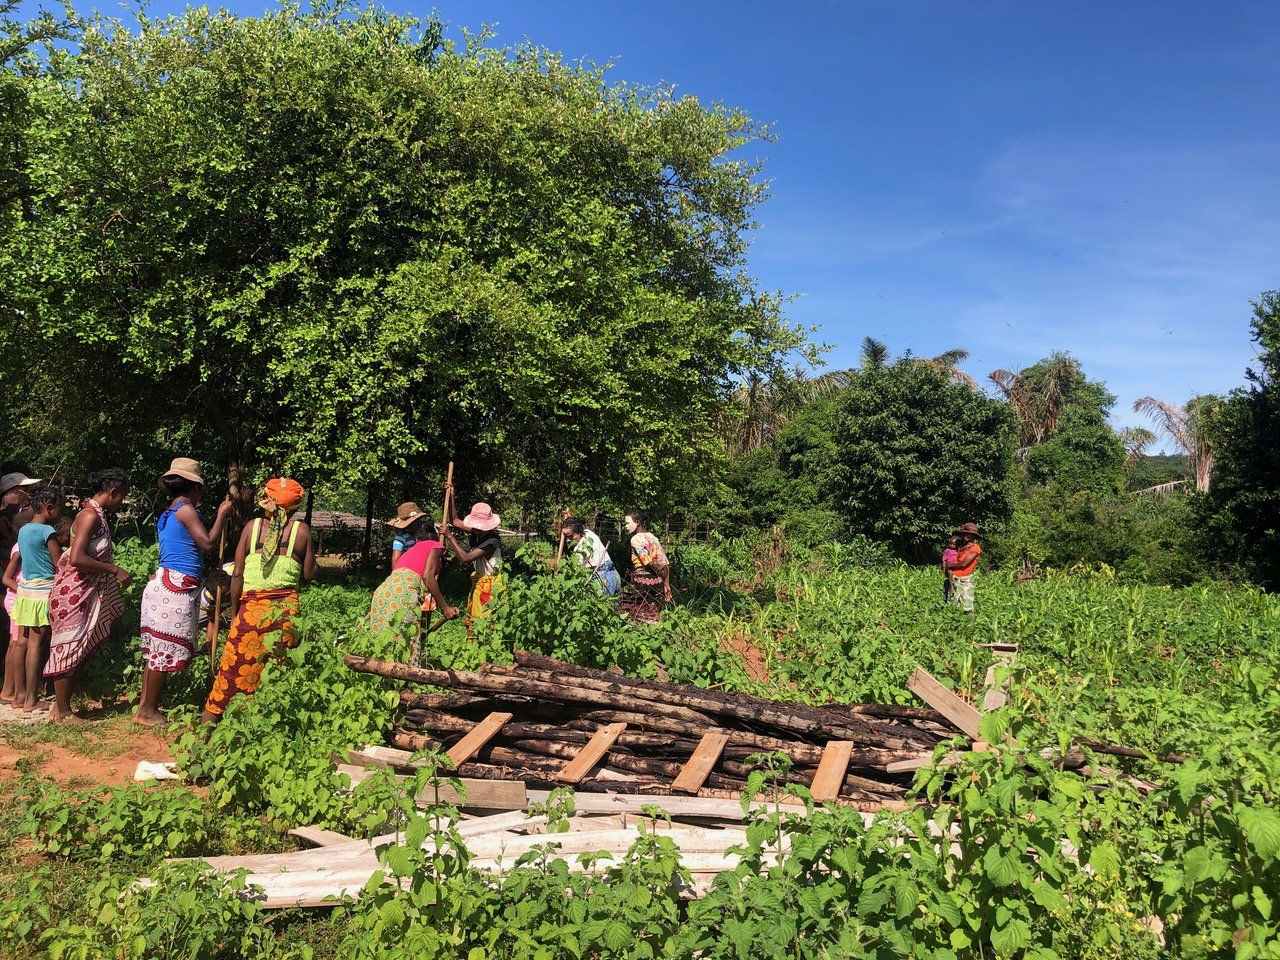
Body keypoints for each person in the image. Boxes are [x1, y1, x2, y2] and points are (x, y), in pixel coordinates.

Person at [202, 478, 317, 722]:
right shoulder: (302, 531)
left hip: (250, 614)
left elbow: (238, 575)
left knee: (230, 675)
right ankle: (267, 729)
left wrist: (235, 614)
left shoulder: (252, 528)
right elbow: (308, 575)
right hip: (284, 616)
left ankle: (206, 735)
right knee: (276, 674)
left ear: (265, 501)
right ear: (295, 507)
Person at [135, 457, 232, 726]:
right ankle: (148, 711)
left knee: (158, 649)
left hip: (168, 582)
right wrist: (222, 514)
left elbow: (182, 553)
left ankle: (145, 707)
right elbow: (207, 543)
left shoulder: (170, 511)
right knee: (163, 648)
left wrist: (206, 575)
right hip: (173, 589)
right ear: (195, 487)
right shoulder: (186, 511)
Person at [43, 468, 133, 723]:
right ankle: (62, 713)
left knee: (78, 648)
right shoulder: (89, 516)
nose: (122, 502)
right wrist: (113, 569)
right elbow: (76, 557)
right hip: (73, 592)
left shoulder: (97, 515)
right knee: (68, 647)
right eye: (122, 496)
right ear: (113, 492)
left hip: (84, 592)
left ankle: (60, 708)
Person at [4, 486, 63, 712]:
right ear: (49, 508)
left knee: (23, 642)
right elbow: (59, 565)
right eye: (59, 507)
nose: (61, 511)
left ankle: (20, 697)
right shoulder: (47, 532)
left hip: (25, 591)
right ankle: (32, 699)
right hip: (43, 591)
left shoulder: (24, 530)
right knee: (36, 644)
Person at [368, 519, 457, 654]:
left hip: (383, 591)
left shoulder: (412, 550)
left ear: (417, 539)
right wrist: (445, 607)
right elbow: (428, 577)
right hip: (405, 593)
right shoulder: (435, 545)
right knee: (408, 648)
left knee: (383, 644)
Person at [443, 503, 504, 636]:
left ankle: (486, 651)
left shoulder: (492, 542)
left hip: (491, 586)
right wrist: (452, 495)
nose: (476, 529)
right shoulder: (477, 531)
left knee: (486, 622)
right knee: (475, 620)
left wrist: (450, 537)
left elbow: (465, 558)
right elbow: (454, 521)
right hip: (479, 581)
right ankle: (474, 649)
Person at [0, 471, 40, 676]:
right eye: (24, 491)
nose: (29, 495)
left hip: (13, 584)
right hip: (13, 586)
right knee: (17, 640)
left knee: (14, 638)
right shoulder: (9, 523)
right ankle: (15, 688)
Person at [618, 511, 671, 624]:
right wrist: (666, 584)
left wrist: (655, 572)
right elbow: (665, 562)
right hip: (657, 581)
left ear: (637, 523)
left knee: (631, 607)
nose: (626, 526)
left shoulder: (636, 539)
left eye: (627, 523)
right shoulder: (652, 537)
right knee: (653, 610)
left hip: (643, 580)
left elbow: (647, 562)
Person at [560, 517, 620, 596]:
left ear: (579, 532)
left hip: (601, 579)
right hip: (614, 575)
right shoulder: (588, 533)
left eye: (570, 536)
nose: (567, 540)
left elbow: (577, 572)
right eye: (565, 536)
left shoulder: (583, 548)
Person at [946, 523, 982, 614]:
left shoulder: (975, 548)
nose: (966, 536)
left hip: (965, 580)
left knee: (967, 606)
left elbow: (964, 564)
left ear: (973, 536)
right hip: (954, 578)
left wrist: (950, 566)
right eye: (964, 533)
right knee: (953, 606)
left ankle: (969, 625)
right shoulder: (961, 547)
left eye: (969, 534)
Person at [387, 502, 430, 567]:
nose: (408, 526)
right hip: (410, 568)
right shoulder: (401, 537)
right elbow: (395, 560)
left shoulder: (427, 528)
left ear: (417, 520)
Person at [940, 536, 959, 605]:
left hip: (955, 567)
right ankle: (951, 587)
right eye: (950, 544)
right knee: (950, 573)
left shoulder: (958, 551)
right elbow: (944, 560)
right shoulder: (947, 551)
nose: (952, 545)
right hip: (949, 567)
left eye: (954, 544)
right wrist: (944, 568)